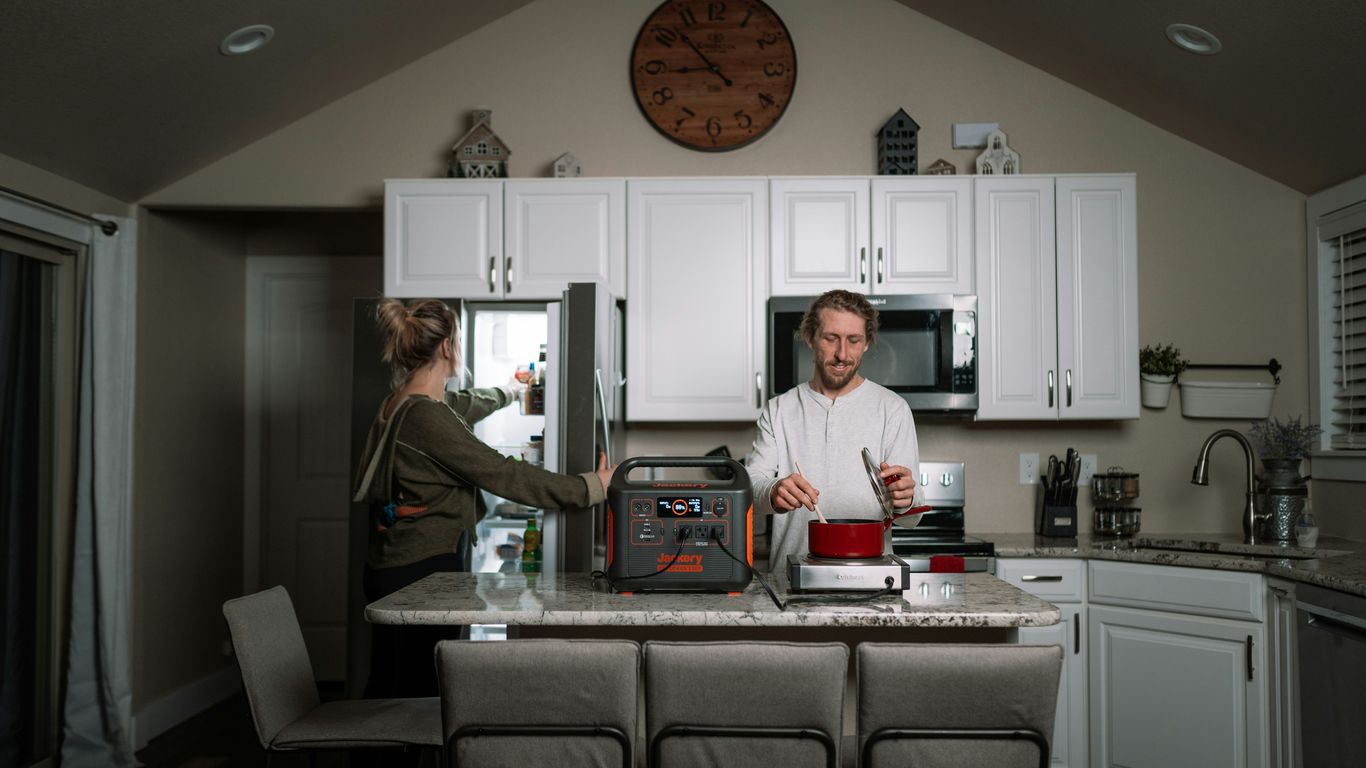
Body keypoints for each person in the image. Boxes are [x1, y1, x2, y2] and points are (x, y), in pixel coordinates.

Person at [352, 298, 612, 698]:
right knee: (414, 692)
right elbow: (503, 473)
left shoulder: (401, 403)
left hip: (396, 563)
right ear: (447, 347)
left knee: (391, 681)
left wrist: (508, 392)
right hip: (421, 571)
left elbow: (464, 404)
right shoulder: (426, 417)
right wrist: (591, 486)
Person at [745, 289, 921, 569]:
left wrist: (906, 497)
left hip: (870, 580)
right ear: (810, 338)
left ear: (866, 343)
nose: (842, 354)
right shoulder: (779, 410)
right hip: (792, 582)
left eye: (854, 340)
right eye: (831, 338)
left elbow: (911, 518)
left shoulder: (893, 409)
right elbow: (750, 487)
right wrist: (774, 490)